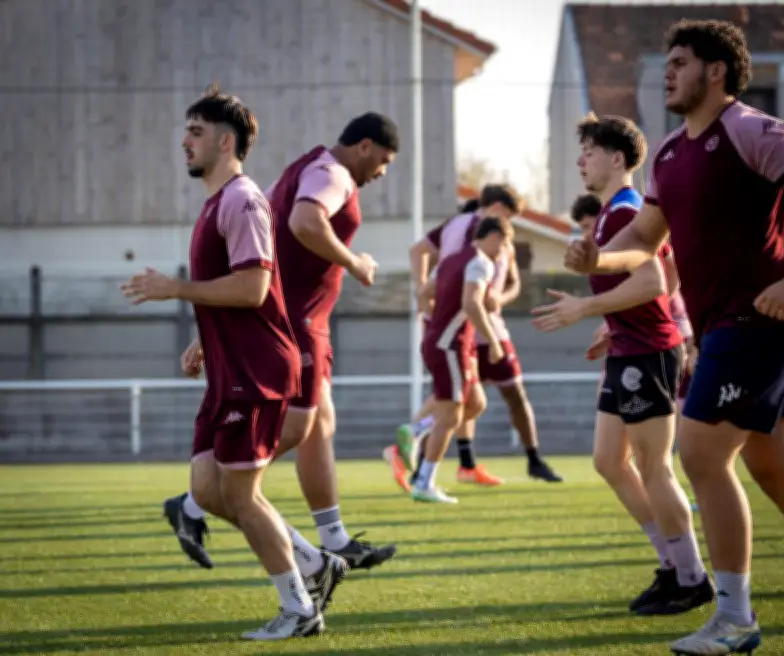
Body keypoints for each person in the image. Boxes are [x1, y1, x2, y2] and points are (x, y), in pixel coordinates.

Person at [564, 19, 784, 654]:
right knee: (774, 467)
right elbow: (643, 241)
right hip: (725, 327)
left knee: (699, 455)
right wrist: (597, 261)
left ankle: (735, 619)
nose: (667, 71)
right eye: (666, 62)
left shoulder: (755, 131)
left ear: (715, 71)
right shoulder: (669, 153)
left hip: (759, 323)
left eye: (679, 62)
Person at [123, 85, 346, 640]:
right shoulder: (217, 203)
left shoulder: (243, 201)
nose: (184, 141)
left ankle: (299, 609)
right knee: (208, 491)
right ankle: (317, 565)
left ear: (226, 142)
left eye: (195, 132)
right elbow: (237, 292)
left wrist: (177, 288)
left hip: (257, 371)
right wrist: (207, 336)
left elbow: (253, 287)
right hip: (230, 368)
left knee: (241, 496)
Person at [165, 113, 401, 573]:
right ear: (366, 146)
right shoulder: (332, 174)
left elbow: (257, 248)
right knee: (293, 429)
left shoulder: (299, 170)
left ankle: (335, 537)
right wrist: (356, 263)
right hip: (292, 326)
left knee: (319, 426)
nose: (382, 173)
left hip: (295, 319)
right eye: (385, 161)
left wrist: (208, 327)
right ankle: (195, 502)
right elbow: (305, 222)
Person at [533, 113, 712, 617]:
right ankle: (671, 564)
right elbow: (669, 277)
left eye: (588, 150)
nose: (579, 160)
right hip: (630, 347)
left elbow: (655, 281)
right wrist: (613, 324)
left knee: (654, 467)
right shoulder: (619, 212)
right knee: (610, 462)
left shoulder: (626, 210)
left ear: (616, 159)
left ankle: (692, 578)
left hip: (650, 353)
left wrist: (586, 308)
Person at [384, 185, 562, 491]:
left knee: (472, 400)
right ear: (493, 208)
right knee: (452, 401)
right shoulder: (474, 244)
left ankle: (436, 452)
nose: (509, 229)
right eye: (506, 215)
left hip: (465, 327)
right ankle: (420, 467)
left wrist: (425, 300)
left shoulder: (477, 239)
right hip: (465, 330)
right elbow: (467, 298)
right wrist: (485, 331)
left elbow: (433, 270)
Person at [412, 217, 514, 502]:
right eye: (505, 242)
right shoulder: (481, 262)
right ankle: (424, 482)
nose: (505, 249)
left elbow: (423, 293)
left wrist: (434, 322)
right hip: (450, 345)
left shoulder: (450, 259)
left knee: (475, 403)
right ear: (493, 236)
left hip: (443, 341)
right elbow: (471, 303)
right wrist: (493, 341)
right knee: (451, 415)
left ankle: (415, 431)